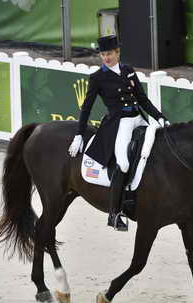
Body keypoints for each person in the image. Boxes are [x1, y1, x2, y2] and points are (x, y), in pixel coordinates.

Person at [68, 35, 167, 232]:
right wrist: (79, 134)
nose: (106, 58)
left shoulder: (128, 71)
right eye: (103, 54)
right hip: (119, 123)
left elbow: (142, 98)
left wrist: (159, 117)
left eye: (110, 54)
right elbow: (86, 108)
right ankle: (115, 213)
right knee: (123, 162)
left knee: (153, 150)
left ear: (117, 52)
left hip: (138, 119)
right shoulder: (97, 78)